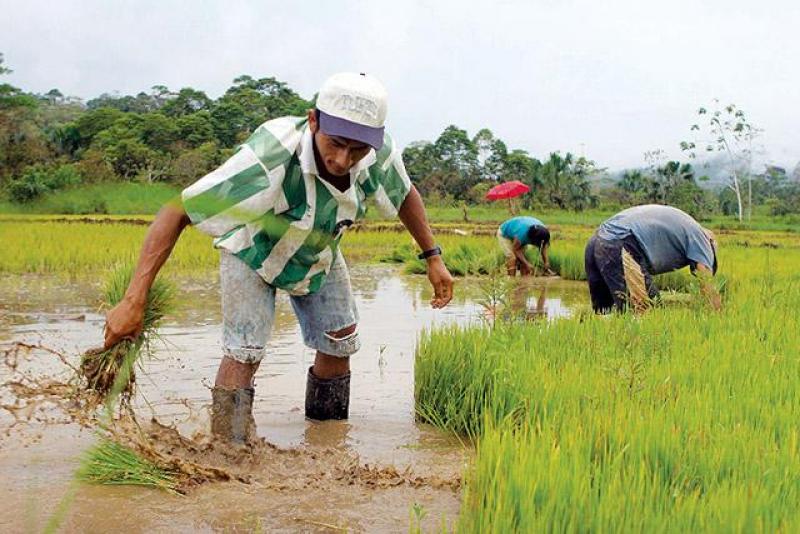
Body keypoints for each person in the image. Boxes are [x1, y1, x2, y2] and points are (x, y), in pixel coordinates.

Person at [102, 72, 454, 442]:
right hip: (252, 250)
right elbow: (177, 211)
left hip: (318, 249)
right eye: (335, 143)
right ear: (313, 120)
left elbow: (404, 194)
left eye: (357, 150)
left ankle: (327, 445)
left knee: (339, 341)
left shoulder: (379, 155)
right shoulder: (269, 156)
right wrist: (133, 299)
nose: (342, 159)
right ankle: (229, 450)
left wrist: (432, 257)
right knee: (245, 350)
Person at [584, 204, 720, 313]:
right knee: (649, 312)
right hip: (620, 242)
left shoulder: (687, 225)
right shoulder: (702, 240)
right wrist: (718, 315)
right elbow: (706, 283)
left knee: (605, 313)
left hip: (597, 239)